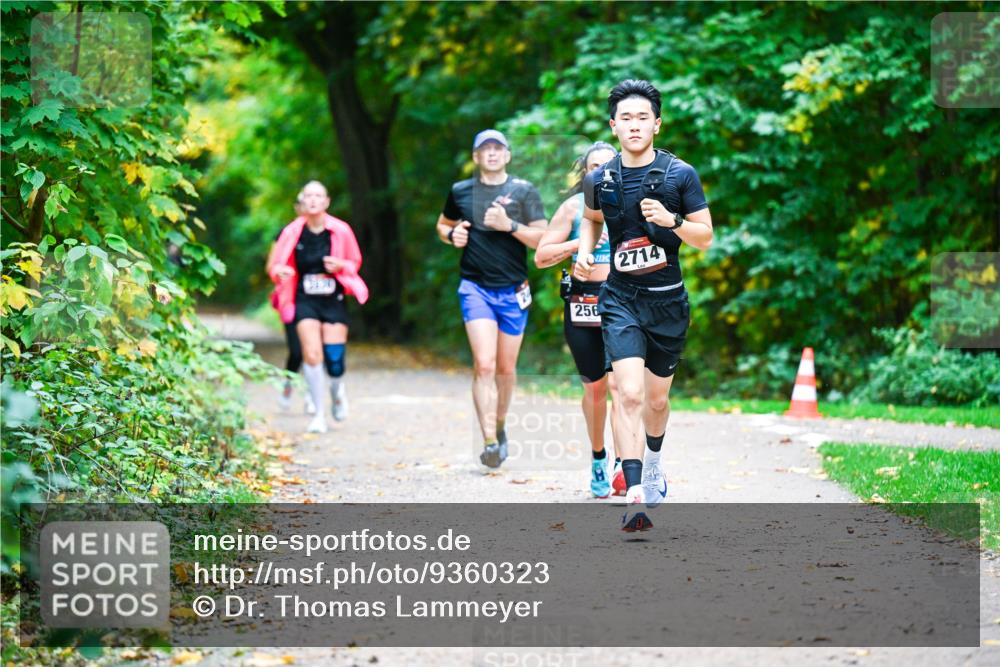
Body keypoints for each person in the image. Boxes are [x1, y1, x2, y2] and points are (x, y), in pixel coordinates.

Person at [575, 80, 714, 531]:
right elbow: (591, 219)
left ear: (657, 124)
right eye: (626, 118)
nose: (634, 125)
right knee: (628, 393)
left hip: (667, 301)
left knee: (656, 401)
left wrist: (673, 221)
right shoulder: (599, 179)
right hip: (620, 299)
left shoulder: (680, 175)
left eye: (642, 118)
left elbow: (705, 237)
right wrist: (584, 250)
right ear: (613, 126)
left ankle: (653, 462)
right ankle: (634, 494)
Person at [436, 129, 548, 468]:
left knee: (505, 369)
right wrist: (451, 235)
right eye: (485, 148)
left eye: (498, 148)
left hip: (513, 290)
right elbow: (443, 225)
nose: (492, 153)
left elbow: (543, 239)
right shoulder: (460, 191)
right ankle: (488, 441)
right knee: (484, 364)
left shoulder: (524, 191)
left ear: (508, 155)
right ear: (476, 157)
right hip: (475, 288)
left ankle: (499, 426)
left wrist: (508, 225)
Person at [535, 141, 620, 498]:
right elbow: (541, 256)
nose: (600, 172)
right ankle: (599, 457)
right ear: (585, 173)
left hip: (622, 302)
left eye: (607, 165)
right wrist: (577, 247)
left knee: (622, 386)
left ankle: (624, 464)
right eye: (593, 166)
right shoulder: (572, 208)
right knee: (595, 388)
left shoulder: (632, 204)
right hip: (582, 302)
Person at [270, 180, 369, 433]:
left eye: (318, 196)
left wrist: (340, 266)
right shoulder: (292, 232)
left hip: (333, 299)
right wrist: (280, 272)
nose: (313, 200)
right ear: (302, 202)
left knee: (334, 360)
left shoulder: (341, 230)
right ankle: (318, 415)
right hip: (304, 298)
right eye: (308, 196)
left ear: (326, 202)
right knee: (312, 355)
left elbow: (354, 262)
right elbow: (275, 266)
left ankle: (337, 391)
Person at [267, 192, 315, 415]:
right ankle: (288, 385)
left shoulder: (329, 232)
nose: (309, 204)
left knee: (313, 350)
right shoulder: (285, 233)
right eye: (304, 201)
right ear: (297, 207)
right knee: (297, 350)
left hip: (317, 301)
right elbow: (271, 266)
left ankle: (312, 394)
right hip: (291, 299)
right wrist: (280, 271)